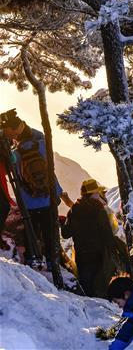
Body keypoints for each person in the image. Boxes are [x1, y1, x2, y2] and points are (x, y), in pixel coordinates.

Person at [1, 113, 67, 265]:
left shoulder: (14, 155)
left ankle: (32, 259)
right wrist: (20, 127)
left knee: (31, 232)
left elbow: (9, 167)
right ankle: (52, 261)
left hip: (29, 202)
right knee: (50, 232)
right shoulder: (42, 145)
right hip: (49, 198)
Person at [60, 178, 117, 297]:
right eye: (97, 192)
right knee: (100, 285)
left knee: (86, 286)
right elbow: (107, 234)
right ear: (91, 194)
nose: (98, 194)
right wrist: (113, 253)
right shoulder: (99, 210)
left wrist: (63, 222)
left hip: (82, 255)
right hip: (98, 254)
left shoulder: (74, 210)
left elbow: (65, 234)